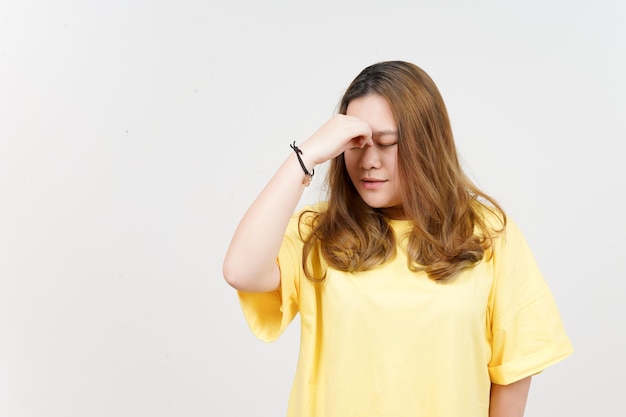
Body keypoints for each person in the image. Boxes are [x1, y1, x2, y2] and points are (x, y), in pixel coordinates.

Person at [222, 60, 573, 417]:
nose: (369, 161)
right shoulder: (317, 231)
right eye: (354, 144)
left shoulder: (488, 232)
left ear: (427, 145)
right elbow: (240, 271)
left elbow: (514, 370)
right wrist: (306, 154)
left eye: (387, 143)